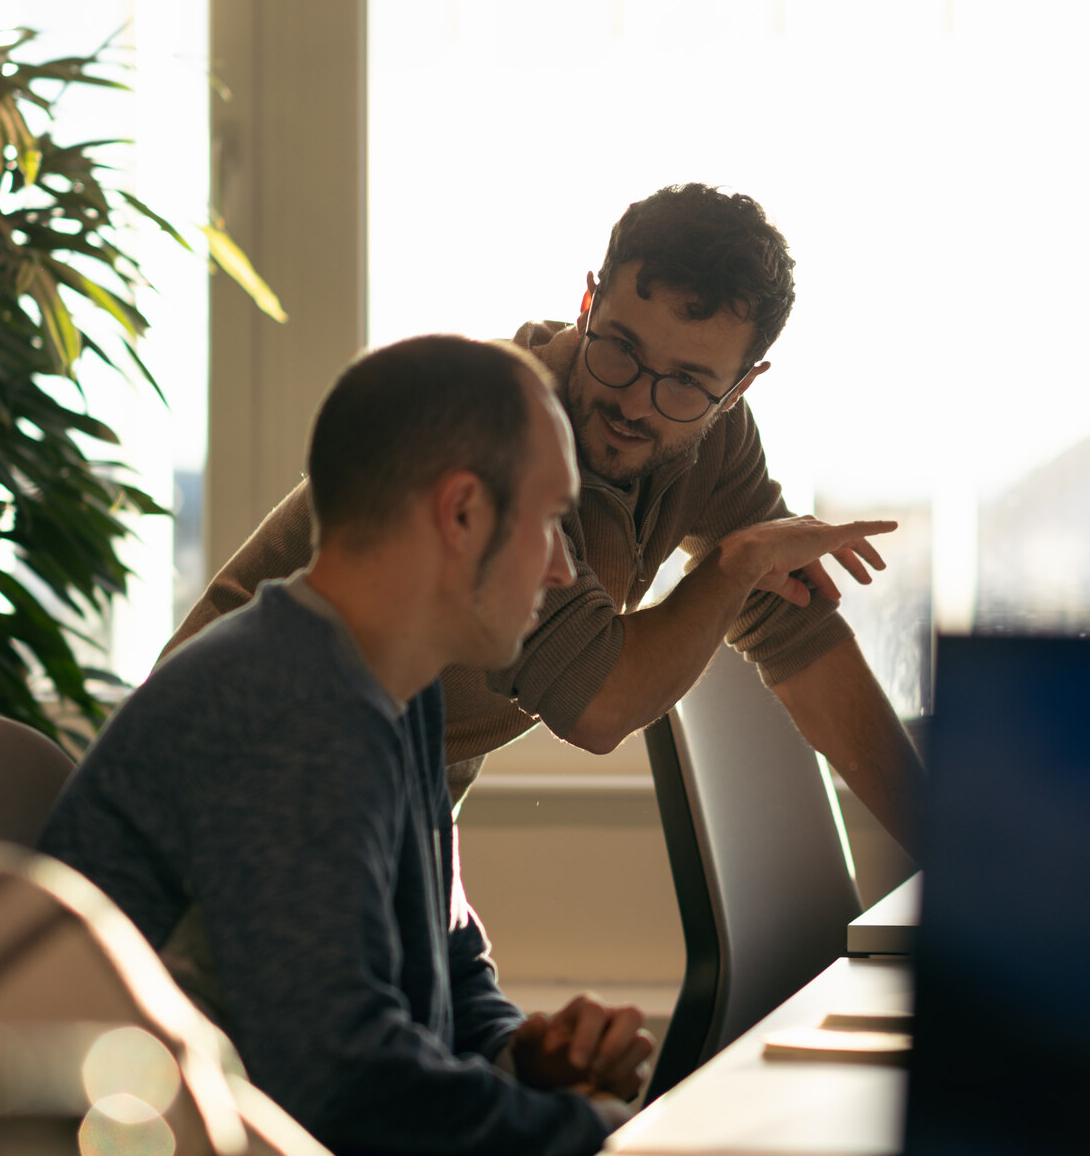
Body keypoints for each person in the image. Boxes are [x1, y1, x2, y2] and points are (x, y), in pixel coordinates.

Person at [169, 183, 925, 850]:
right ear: (588, 302)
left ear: (740, 389)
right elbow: (599, 704)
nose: (635, 402)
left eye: (688, 383)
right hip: (239, 786)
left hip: (391, 814)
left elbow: (796, 631)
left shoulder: (715, 439)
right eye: (621, 349)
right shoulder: (495, 435)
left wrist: (955, 869)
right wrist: (733, 566)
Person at [41, 337, 649, 1156]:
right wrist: (603, 1135)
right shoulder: (287, 706)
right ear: (462, 512)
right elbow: (338, 1087)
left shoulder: (396, 694)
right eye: (548, 523)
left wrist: (520, 1052)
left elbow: (449, 969)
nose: (563, 571)